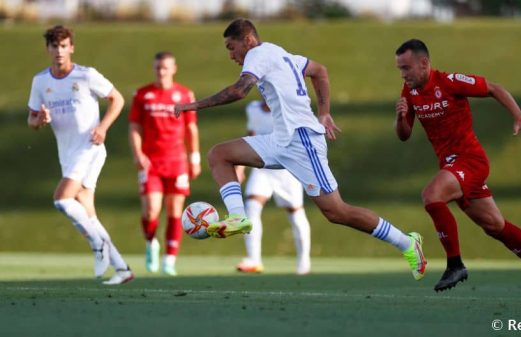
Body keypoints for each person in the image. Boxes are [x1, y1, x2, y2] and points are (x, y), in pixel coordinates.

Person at [174, 18, 426, 280]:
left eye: (231, 47)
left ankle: (407, 244)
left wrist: (193, 106)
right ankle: (239, 217)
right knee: (219, 154)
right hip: (280, 140)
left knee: (337, 212)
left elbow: (240, 91)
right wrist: (324, 112)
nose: (231, 55)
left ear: (247, 40)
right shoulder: (282, 55)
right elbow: (319, 70)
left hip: (302, 141)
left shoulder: (257, 54)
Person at [393, 39, 521, 305]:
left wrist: (519, 117)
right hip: (451, 167)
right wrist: (401, 118)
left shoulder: (448, 81)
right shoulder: (409, 90)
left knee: (431, 196)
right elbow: (404, 136)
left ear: (424, 63)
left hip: (470, 161)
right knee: (495, 226)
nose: (403, 74)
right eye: (400, 69)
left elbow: (494, 88)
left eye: (406, 68)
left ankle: (455, 264)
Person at [27, 25, 133, 285]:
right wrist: (40, 119)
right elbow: (31, 120)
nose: (59, 51)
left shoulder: (86, 76)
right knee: (87, 211)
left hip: (90, 148)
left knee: (62, 200)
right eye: (54, 46)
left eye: (64, 46)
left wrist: (103, 128)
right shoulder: (40, 82)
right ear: (48, 49)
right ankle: (122, 269)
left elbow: (117, 99)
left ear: (71, 47)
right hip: (68, 153)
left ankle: (98, 246)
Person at [128, 51, 200, 276]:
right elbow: (134, 128)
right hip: (151, 162)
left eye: (166, 68)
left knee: (175, 210)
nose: (162, 72)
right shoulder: (142, 95)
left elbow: (191, 128)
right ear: (154, 69)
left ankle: (170, 259)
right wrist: (138, 153)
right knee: (151, 210)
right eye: (158, 68)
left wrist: (194, 157)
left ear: (173, 68)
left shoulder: (185, 94)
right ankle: (151, 243)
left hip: (177, 161)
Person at [235, 100, 311, 275]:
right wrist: (240, 167)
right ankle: (254, 260)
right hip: (262, 169)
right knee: (252, 206)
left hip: (287, 169)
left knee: (295, 213)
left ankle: (304, 261)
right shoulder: (253, 109)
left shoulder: (290, 110)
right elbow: (251, 136)